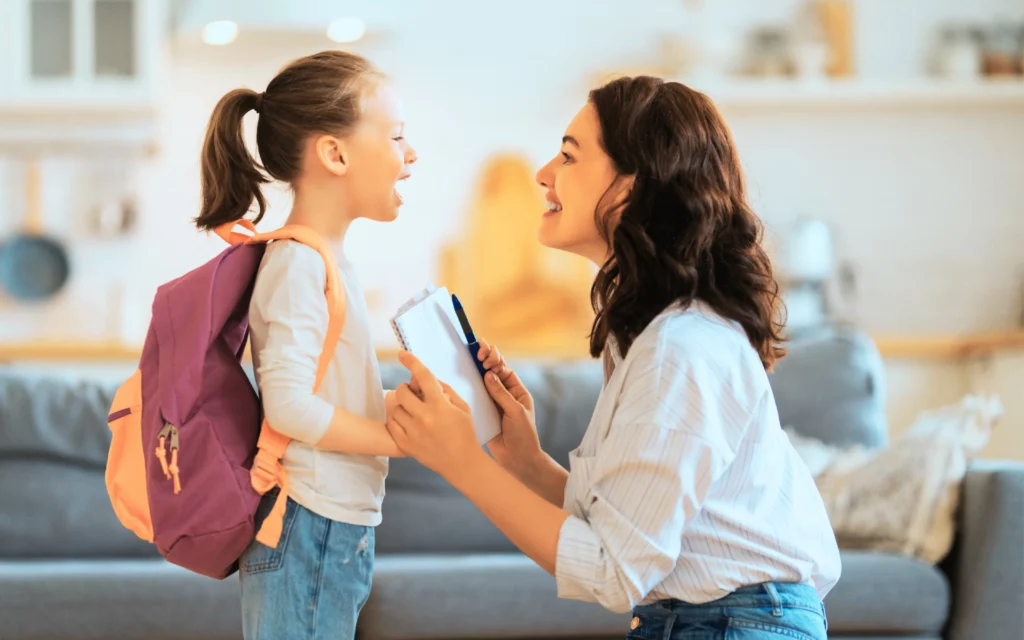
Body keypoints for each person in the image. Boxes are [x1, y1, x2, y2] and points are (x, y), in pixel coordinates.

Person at [386, 75, 841, 639]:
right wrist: (523, 461)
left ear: (631, 187)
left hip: (731, 624)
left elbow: (612, 571)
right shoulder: (652, 337)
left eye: (569, 157)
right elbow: (625, 529)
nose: (543, 173)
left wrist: (464, 462)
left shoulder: (681, 351)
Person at [192, 50, 417, 639]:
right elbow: (289, 406)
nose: (410, 155)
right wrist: (392, 439)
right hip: (309, 520)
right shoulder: (298, 263)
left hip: (328, 522)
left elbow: (320, 390)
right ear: (334, 153)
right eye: (396, 137)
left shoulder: (325, 260)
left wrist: (399, 410)